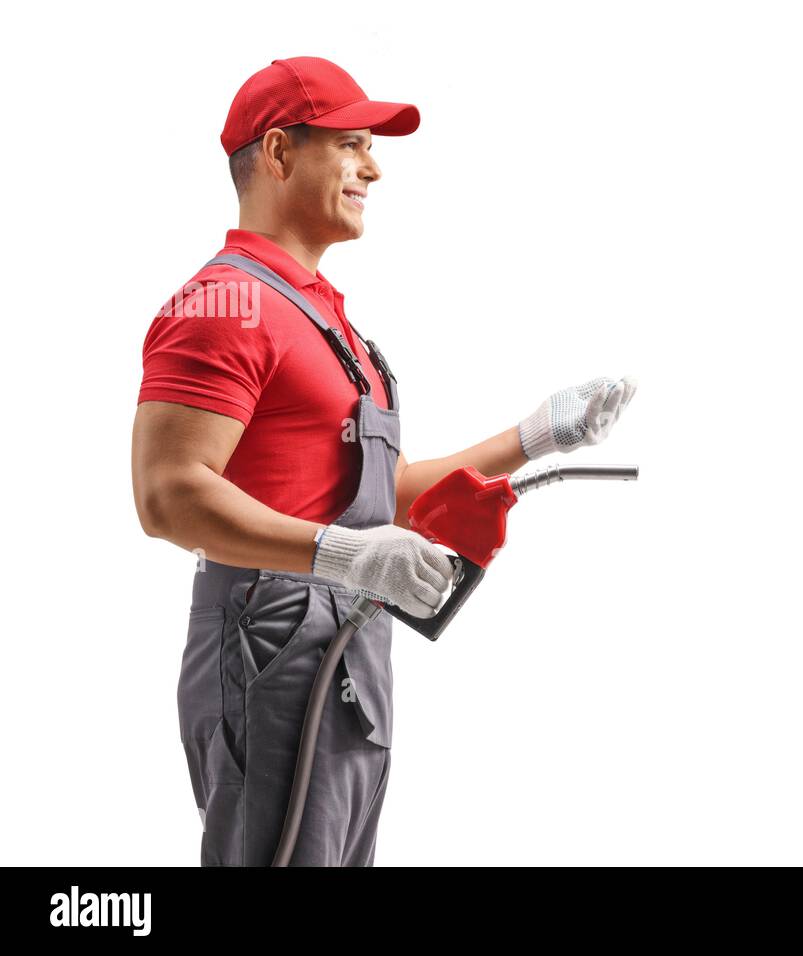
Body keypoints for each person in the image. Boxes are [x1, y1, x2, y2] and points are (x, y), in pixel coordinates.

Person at [131, 57, 636, 866]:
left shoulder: (323, 317)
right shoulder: (224, 303)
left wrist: (535, 437)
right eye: (352, 144)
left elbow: (369, 501)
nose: (374, 167)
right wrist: (343, 553)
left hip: (348, 649)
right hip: (275, 646)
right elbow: (169, 496)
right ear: (279, 153)